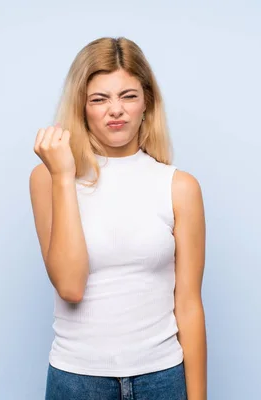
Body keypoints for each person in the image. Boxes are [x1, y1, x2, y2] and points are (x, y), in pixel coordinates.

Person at [29, 37, 207, 400]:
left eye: (128, 96)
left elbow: (188, 304)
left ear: (147, 103)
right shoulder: (47, 178)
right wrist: (64, 176)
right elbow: (70, 286)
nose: (116, 110)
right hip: (78, 380)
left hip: (161, 378)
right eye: (99, 99)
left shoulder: (179, 187)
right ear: (81, 107)